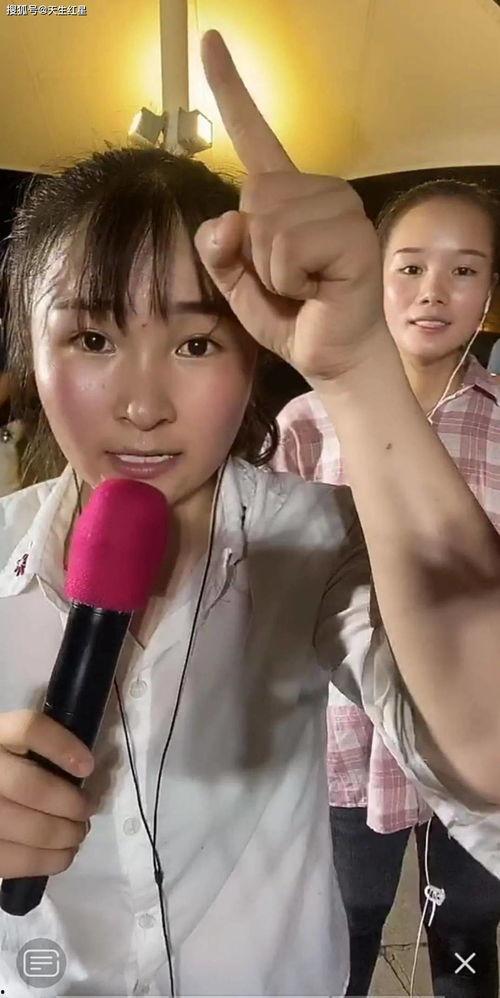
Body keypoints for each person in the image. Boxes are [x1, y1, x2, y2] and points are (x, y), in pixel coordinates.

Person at [1, 31, 500, 997]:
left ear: (252, 356)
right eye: (93, 337)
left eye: (196, 344)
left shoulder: (317, 542)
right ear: (30, 345)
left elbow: (489, 752)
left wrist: (358, 365)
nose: (142, 405)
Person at [272, 178, 500, 996]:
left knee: (467, 936)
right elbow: (274, 600)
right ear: (371, 275)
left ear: (489, 292)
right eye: (409, 267)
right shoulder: (305, 424)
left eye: (464, 270)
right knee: (347, 925)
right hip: (342, 740)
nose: (433, 290)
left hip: (477, 747)